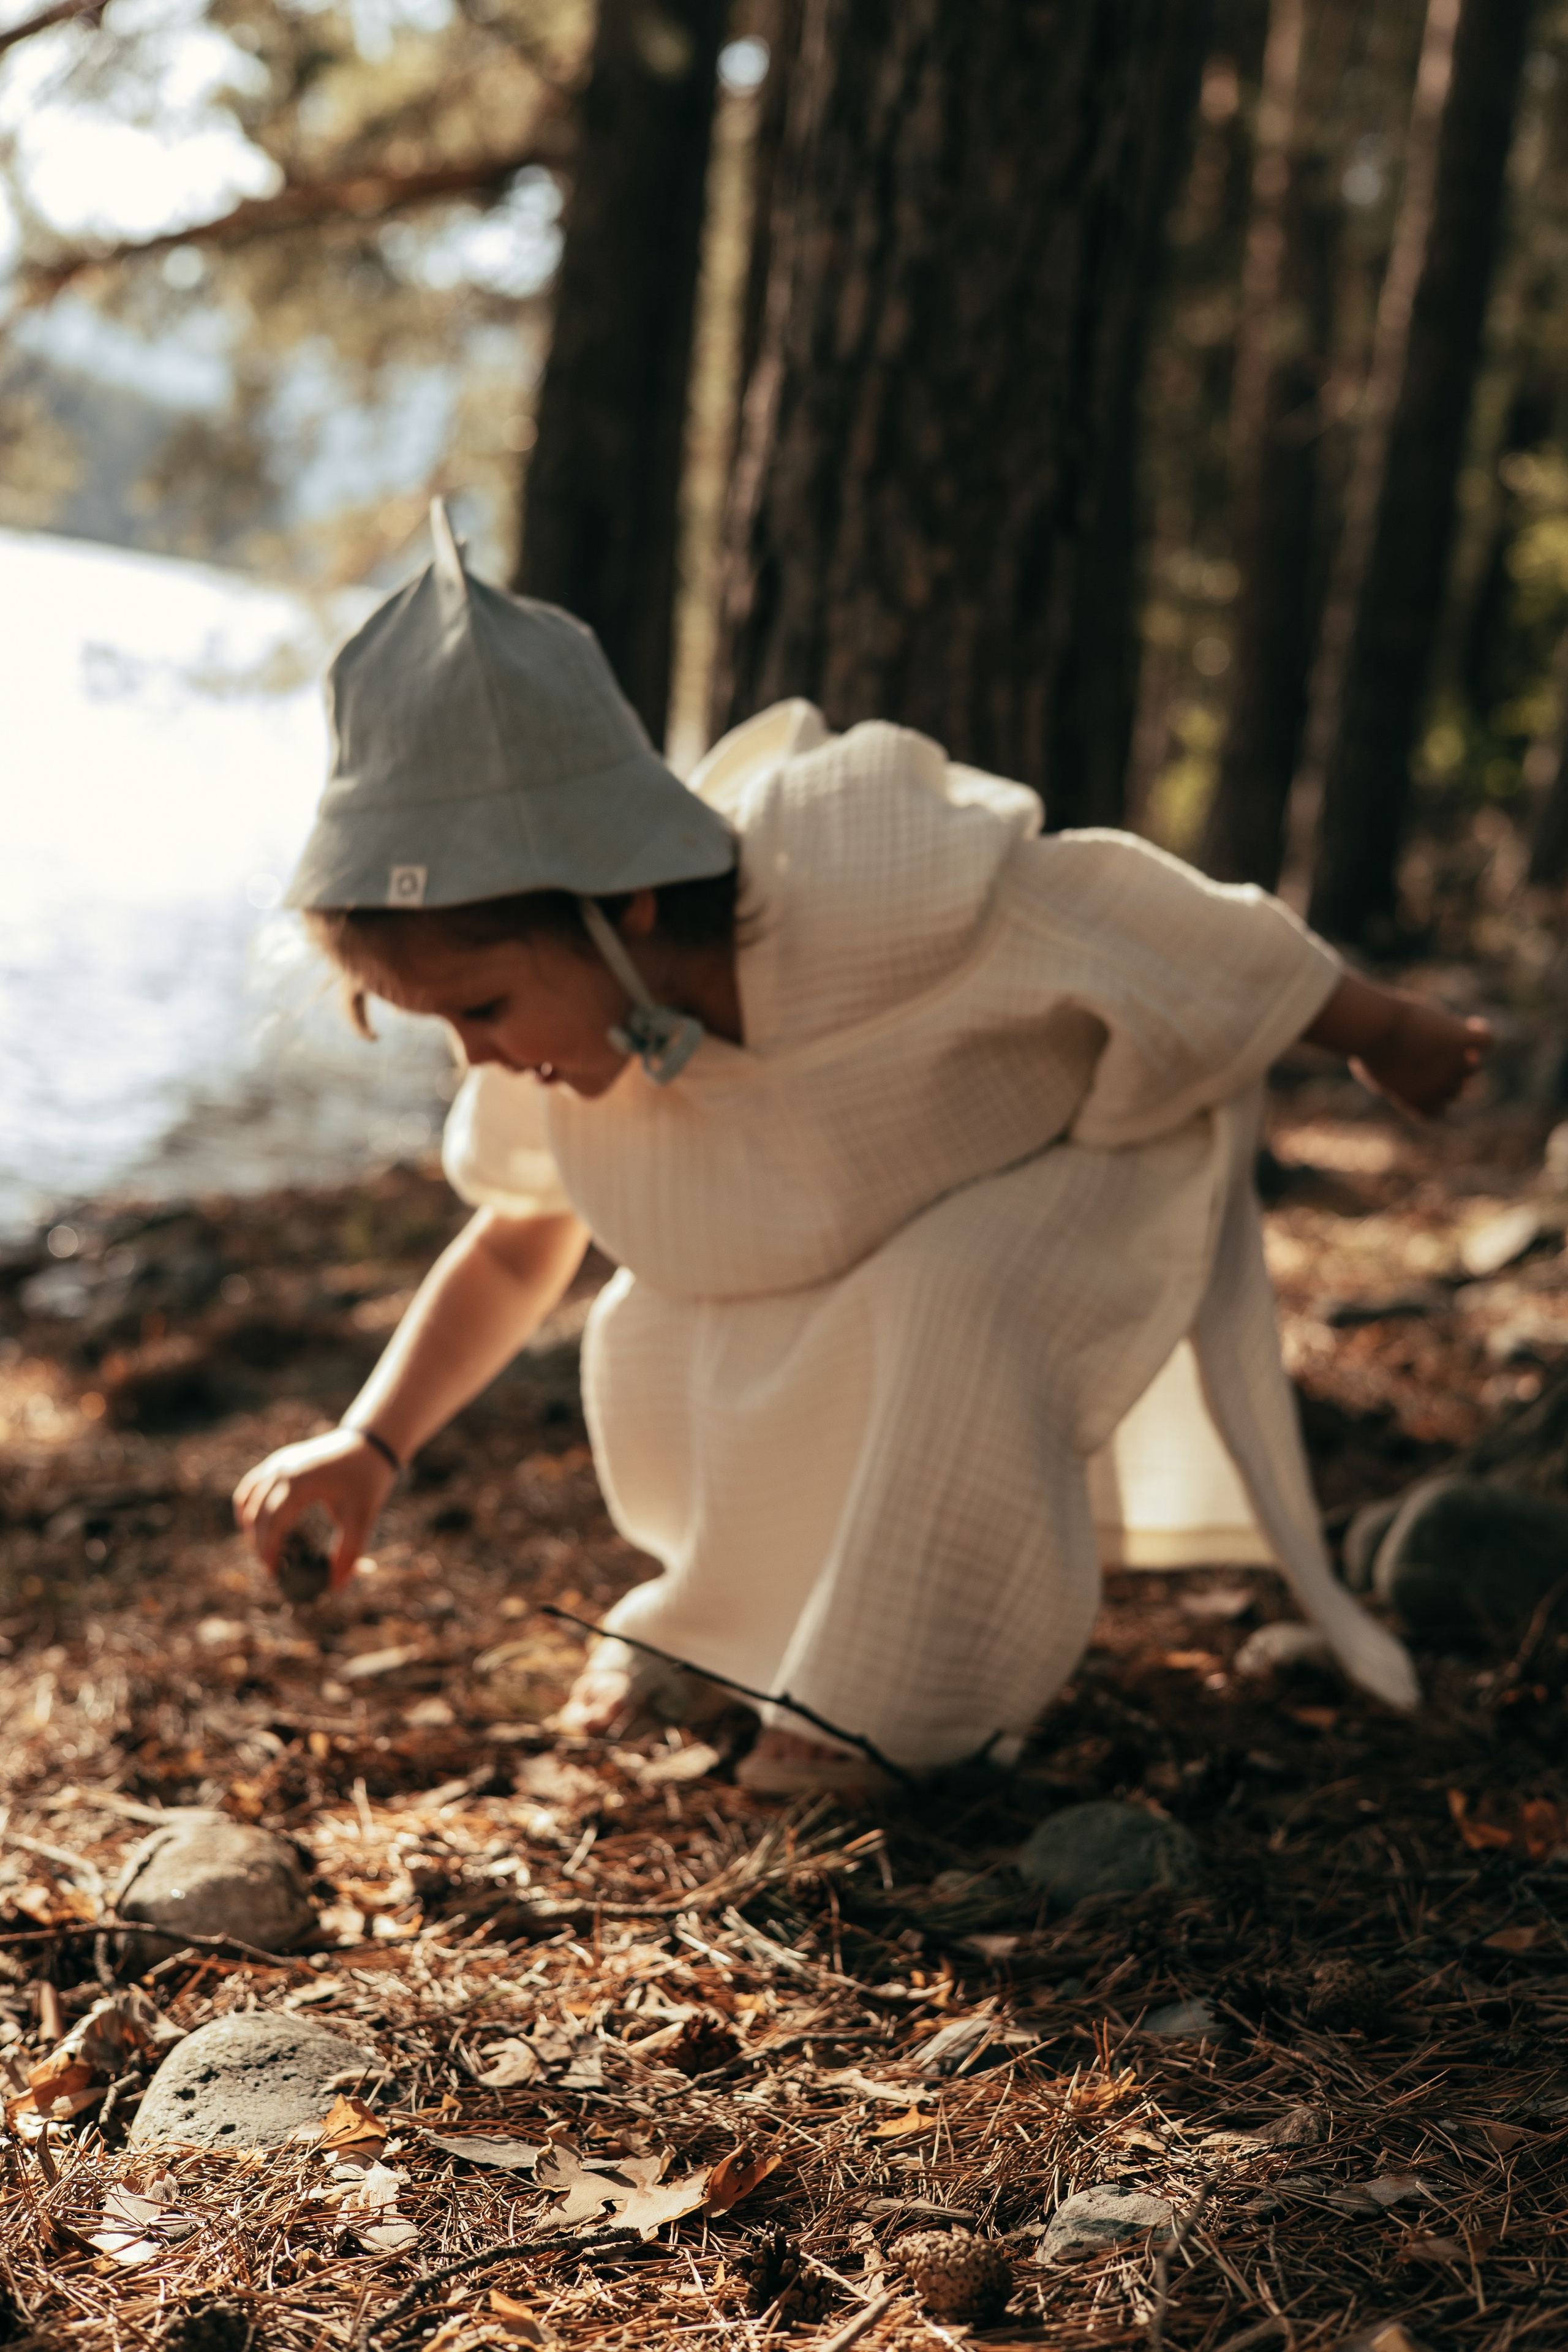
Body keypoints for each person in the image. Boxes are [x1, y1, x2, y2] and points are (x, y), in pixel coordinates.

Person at [235, 502, 1490, 1795]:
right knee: (657, 1328)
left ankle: (884, 1708)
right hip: (833, 1213)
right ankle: (733, 1626)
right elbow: (512, 1252)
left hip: (1076, 1177)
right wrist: (371, 1446)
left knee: (942, 1297)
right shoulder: (574, 1053)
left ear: (624, 904)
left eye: (483, 1009)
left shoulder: (889, 901)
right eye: (441, 1028)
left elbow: (1172, 931)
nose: (477, 1060)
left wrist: (1379, 1029)